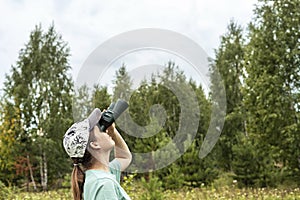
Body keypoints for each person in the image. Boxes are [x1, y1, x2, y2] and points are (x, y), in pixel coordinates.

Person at [63, 108, 132, 200]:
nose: (106, 130)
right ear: (94, 144)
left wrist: (113, 131)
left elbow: (124, 157)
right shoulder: (104, 183)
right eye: (101, 129)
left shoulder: (99, 174)